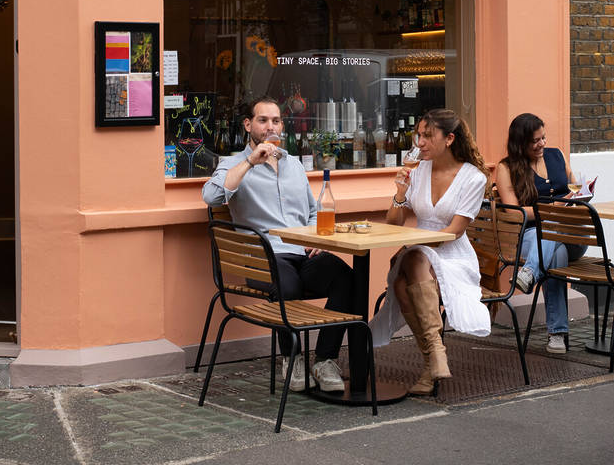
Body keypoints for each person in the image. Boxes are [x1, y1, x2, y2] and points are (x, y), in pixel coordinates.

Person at [203, 96, 353, 393]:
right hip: (264, 257)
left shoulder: (294, 164)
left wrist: (314, 238)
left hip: (301, 251)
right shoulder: (234, 163)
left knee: (347, 279)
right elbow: (211, 197)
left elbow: (311, 210)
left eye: (275, 121)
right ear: (248, 125)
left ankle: (324, 359)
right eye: (262, 120)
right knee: (289, 286)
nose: (270, 126)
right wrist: (250, 161)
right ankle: (292, 358)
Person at [368, 109, 492, 395]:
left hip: (453, 255)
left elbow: (454, 231)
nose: (420, 142)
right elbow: (393, 223)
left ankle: (433, 355)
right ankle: (433, 359)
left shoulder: (473, 178)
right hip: (420, 255)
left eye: (427, 135)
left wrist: (415, 244)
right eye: (418, 135)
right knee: (404, 279)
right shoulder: (419, 171)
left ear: (449, 139)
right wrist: (400, 193)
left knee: (409, 265)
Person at [494, 112, 585, 355]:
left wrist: (580, 196)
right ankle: (557, 334)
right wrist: (551, 209)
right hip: (529, 237)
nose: (542, 144)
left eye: (543, 138)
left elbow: (575, 188)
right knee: (555, 256)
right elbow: (514, 214)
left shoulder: (557, 155)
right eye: (535, 141)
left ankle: (530, 272)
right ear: (520, 143)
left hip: (570, 233)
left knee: (552, 227)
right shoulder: (506, 168)